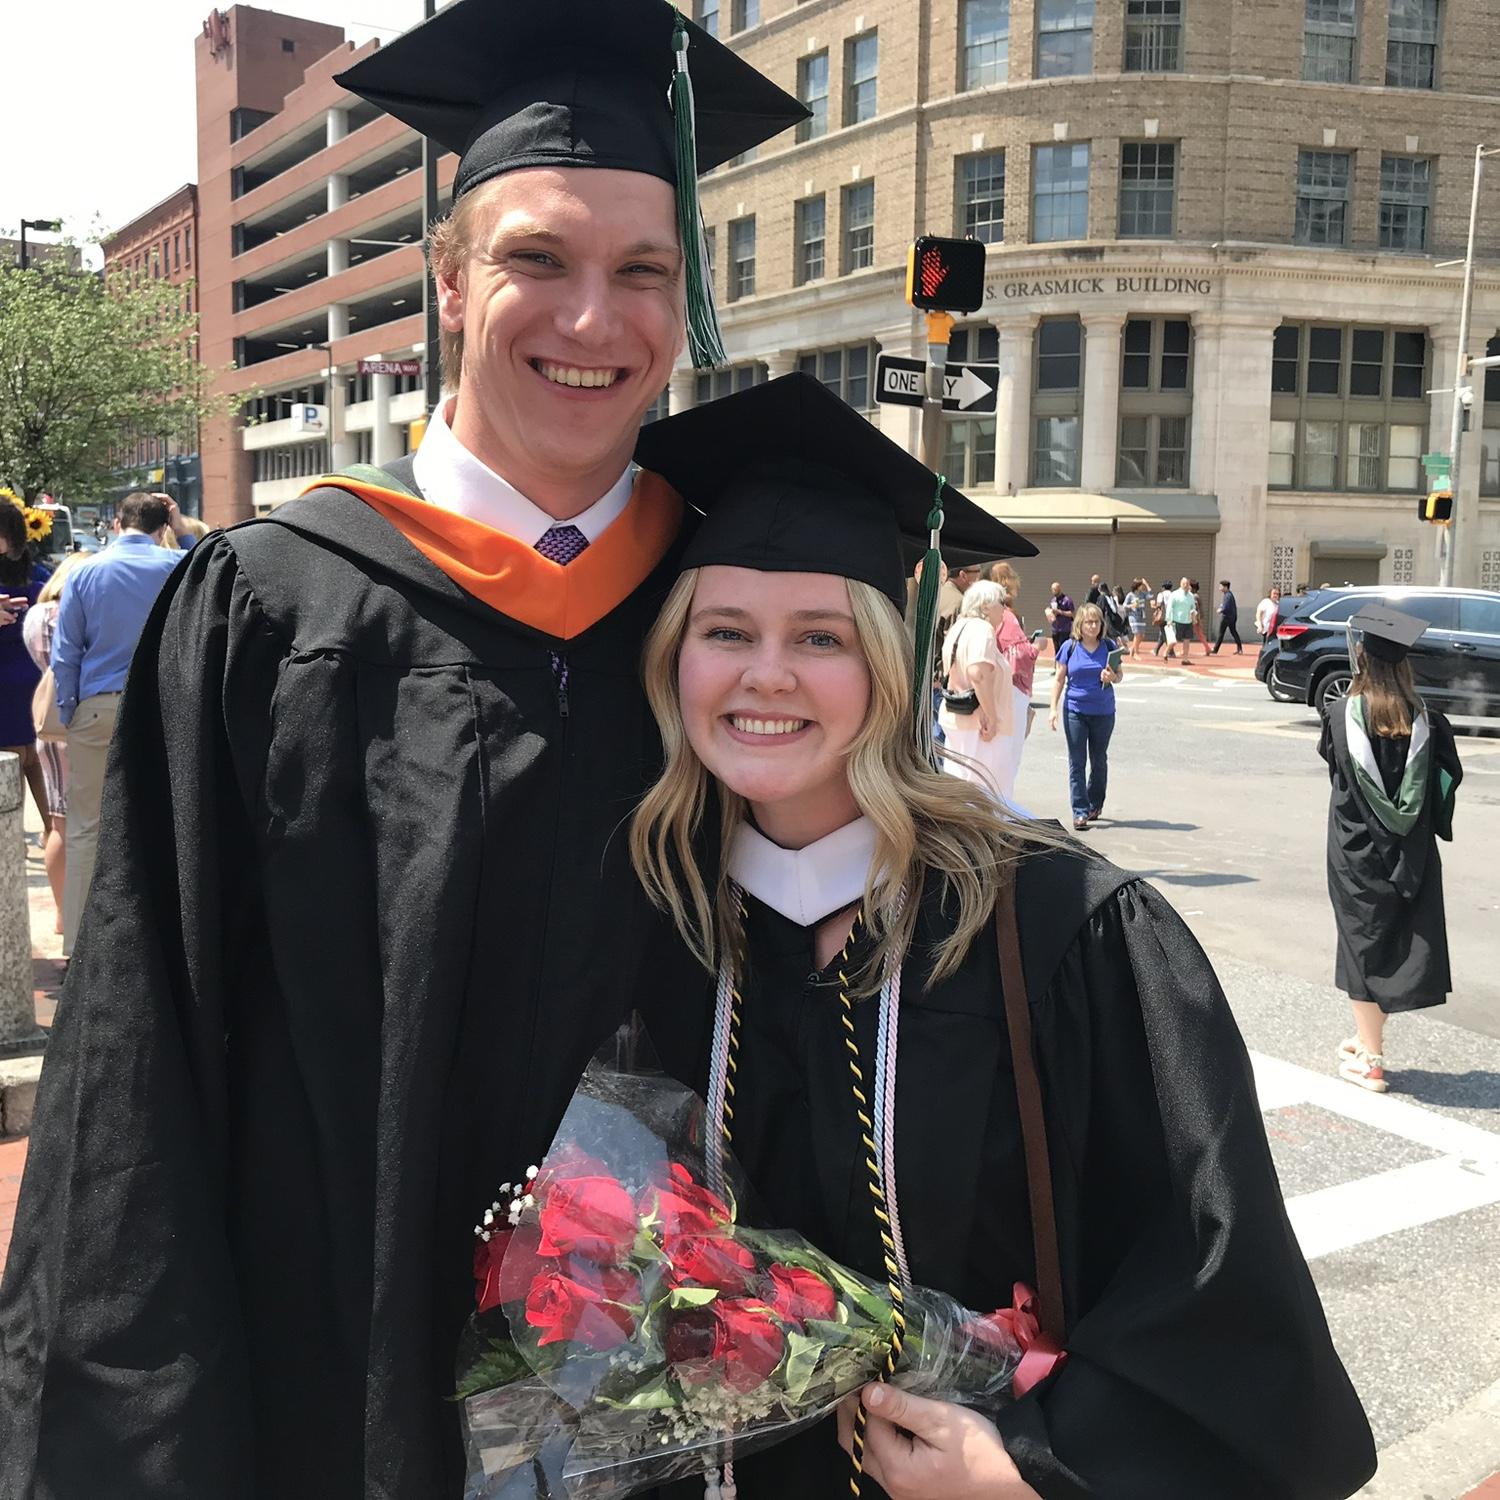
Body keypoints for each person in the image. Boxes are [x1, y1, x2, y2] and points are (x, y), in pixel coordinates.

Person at [0, 4, 806, 1496]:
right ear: (447, 281)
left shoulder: (731, 621)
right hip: (331, 1368)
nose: (593, 319)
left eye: (643, 271)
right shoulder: (270, 607)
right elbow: (143, 1048)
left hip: (680, 1393)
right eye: (536, 261)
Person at [630, 373, 1375, 1500]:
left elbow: (1224, 1297)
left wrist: (1032, 1465)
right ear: (675, 657)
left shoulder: (1060, 930)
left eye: (821, 636)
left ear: (889, 663)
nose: (764, 674)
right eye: (724, 630)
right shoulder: (652, 917)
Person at [1320, 606, 1462, 1094]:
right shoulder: (1426, 721)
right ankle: (1366, 1037)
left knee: (1361, 943)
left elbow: (1336, 771)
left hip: (1356, 851)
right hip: (1412, 853)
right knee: (1390, 937)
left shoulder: (1341, 716)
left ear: (1362, 658)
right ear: (1405, 665)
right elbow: (1445, 783)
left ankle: (1372, 1061)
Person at [46, 492, 194, 956]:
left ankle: (79, 946)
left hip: (96, 705)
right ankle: (158, 944)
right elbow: (213, 572)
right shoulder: (175, 565)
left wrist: (70, 712)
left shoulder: (86, 571)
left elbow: (66, 652)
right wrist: (184, 528)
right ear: (161, 524)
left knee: (86, 828)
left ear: (115, 522)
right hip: (159, 707)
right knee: (162, 821)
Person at [22, 551, 90, 935]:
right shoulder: (81, 612)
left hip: (47, 723)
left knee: (58, 825)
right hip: (84, 718)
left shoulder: (36, 615)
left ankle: (64, 917)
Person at [0, 502, 52, 833]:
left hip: (16, 693)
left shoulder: (40, 576)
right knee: (56, 815)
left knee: (8, 820)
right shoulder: (43, 575)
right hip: (38, 689)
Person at [938, 580, 1014, 801]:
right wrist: (991, 717)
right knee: (988, 794)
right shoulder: (983, 629)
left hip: (958, 718)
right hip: (980, 726)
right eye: (1002, 603)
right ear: (986, 606)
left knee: (961, 789)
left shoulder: (959, 628)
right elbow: (978, 673)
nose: (1005, 609)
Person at [1048, 602, 1120, 831]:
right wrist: (1052, 709)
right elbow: (1059, 679)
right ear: (1080, 624)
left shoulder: (1109, 646)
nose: (1093, 626)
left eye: (1097, 621)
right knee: (1076, 762)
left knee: (1099, 760)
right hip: (1075, 710)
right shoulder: (1069, 647)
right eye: (1088, 621)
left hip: (1103, 711)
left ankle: (1094, 803)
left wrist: (1112, 678)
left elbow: (1119, 675)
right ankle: (1079, 811)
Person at [992, 562, 1039, 798]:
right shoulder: (1009, 618)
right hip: (1013, 690)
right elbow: (1019, 656)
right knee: (1010, 757)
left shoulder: (996, 618)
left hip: (1000, 689)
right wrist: (1036, 648)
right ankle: (1005, 807)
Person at [1167, 575, 1197, 660]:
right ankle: (1166, 652)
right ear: (1180, 584)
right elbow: (1170, 607)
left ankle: (1185, 659)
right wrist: (1169, 619)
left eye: (1187, 583)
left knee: (1187, 641)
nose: (1185, 585)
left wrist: (1194, 618)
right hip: (1177, 620)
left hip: (1188, 621)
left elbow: (1193, 608)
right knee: (1174, 641)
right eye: (1184, 583)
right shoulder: (1175, 594)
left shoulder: (1191, 596)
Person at [1044, 579, 1074, 659]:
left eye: (1055, 589)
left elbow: (1072, 613)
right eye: (1052, 590)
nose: (1054, 591)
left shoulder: (1067, 600)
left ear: (1059, 589)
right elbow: (1052, 612)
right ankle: (1057, 666)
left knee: (1064, 649)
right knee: (1057, 649)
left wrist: (1061, 612)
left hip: (1064, 629)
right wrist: (1049, 612)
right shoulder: (1053, 600)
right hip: (1055, 629)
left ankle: (1065, 667)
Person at [1212, 578, 1243, 654]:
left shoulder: (1228, 595)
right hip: (1231, 617)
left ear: (1225, 587)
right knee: (1233, 632)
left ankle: (1215, 649)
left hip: (1226, 617)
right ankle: (1240, 648)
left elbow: (1226, 607)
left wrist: (1221, 610)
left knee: (1221, 633)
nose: (1219, 588)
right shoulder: (1228, 595)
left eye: (1221, 586)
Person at [1123, 577, 1150, 658]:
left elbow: (1150, 595)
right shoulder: (1130, 595)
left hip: (1141, 615)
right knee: (1137, 634)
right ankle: (1135, 653)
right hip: (1133, 616)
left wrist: (1146, 584)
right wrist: (1132, 605)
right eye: (1141, 585)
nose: (1142, 587)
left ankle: (1132, 650)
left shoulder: (1142, 594)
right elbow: (1124, 605)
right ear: (1137, 586)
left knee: (1142, 635)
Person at [1152, 577, 1174, 657]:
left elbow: (1159, 605)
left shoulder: (1161, 594)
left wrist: (1154, 606)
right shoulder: (1173, 594)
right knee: (1163, 634)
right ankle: (1156, 650)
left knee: (1165, 634)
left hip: (1163, 617)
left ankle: (1170, 651)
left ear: (1163, 587)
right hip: (1171, 616)